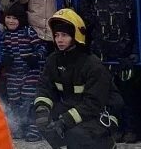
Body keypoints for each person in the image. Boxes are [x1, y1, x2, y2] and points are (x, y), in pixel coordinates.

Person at [34, 9, 119, 149]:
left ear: (76, 36)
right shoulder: (53, 60)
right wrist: (42, 109)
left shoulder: (92, 64)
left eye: (64, 35)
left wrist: (64, 121)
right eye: (56, 35)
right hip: (73, 109)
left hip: (101, 113)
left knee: (76, 135)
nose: (59, 40)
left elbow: (93, 103)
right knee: (45, 125)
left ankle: (107, 145)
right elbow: (44, 88)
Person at [78, 0, 140, 143]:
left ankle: (131, 129)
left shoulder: (131, 0)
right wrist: (84, 1)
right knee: (106, 95)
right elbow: (88, 23)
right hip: (101, 54)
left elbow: (136, 28)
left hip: (124, 55)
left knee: (127, 94)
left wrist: (135, 53)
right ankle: (112, 128)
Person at [1, 2, 46, 142]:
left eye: (15, 18)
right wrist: (5, 59)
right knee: (14, 99)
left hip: (30, 73)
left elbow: (41, 48)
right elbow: (2, 51)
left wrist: (35, 57)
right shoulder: (5, 35)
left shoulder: (28, 32)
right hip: (13, 73)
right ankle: (18, 126)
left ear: (21, 19)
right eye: (8, 17)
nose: (11, 21)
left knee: (29, 100)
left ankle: (33, 127)